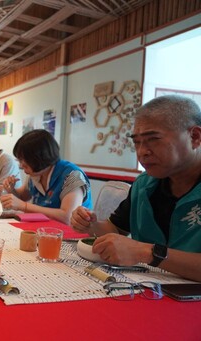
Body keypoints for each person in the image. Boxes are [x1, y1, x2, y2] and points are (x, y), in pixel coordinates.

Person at [71, 95, 201, 282]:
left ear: (194, 137)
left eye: (153, 139)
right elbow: (115, 230)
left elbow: (144, 252)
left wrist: (147, 252)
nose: (142, 152)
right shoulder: (144, 185)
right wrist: (90, 224)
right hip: (148, 291)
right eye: (137, 142)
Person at [0, 129, 92, 224]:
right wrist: (11, 190)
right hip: (45, 229)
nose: (21, 166)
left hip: (72, 234)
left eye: (24, 161)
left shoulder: (72, 175)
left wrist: (24, 206)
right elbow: (23, 196)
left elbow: (68, 217)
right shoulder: (36, 174)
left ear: (40, 158)